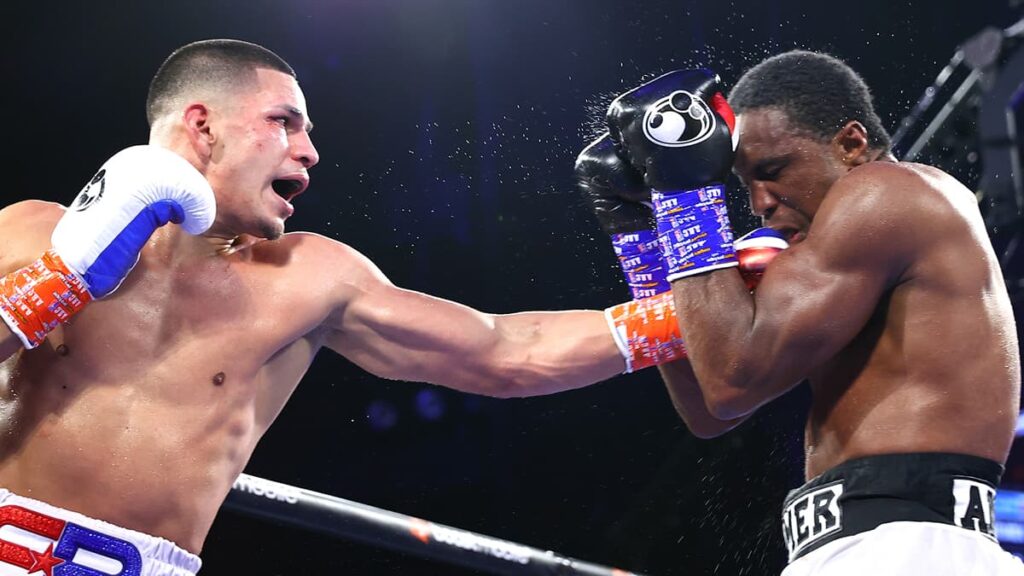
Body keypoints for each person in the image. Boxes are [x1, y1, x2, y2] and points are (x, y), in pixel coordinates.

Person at [0, 38, 702, 576]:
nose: (310, 151)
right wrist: (57, 279)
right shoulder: (29, 232)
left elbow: (505, 352)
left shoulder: (308, 276)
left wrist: (703, 310)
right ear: (201, 125)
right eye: (284, 122)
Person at [583, 51, 1024, 574]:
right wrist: (643, 238)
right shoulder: (832, 254)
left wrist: (685, 193)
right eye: (745, 184)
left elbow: (732, 381)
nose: (760, 203)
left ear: (851, 144)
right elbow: (708, 407)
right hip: (870, 542)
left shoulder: (890, 192)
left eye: (773, 171)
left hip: (908, 544)